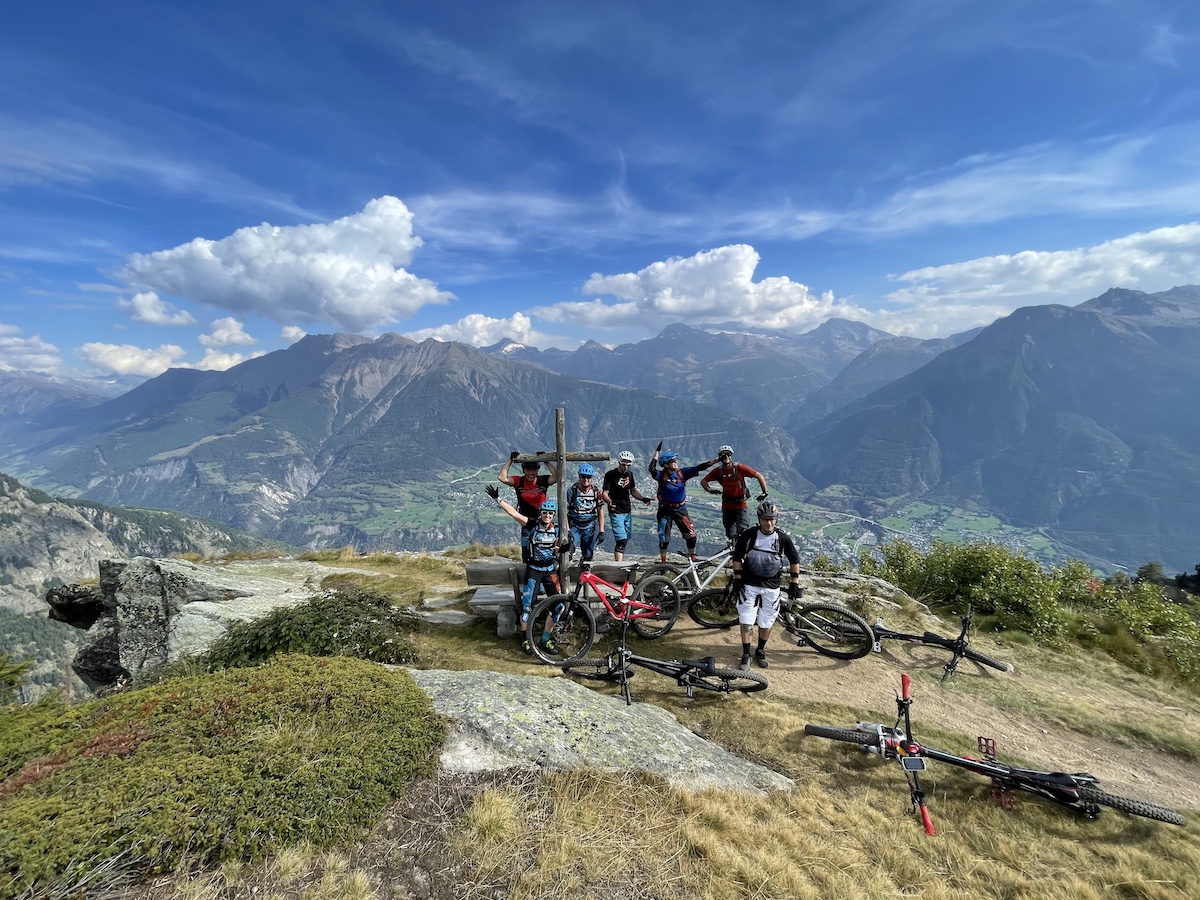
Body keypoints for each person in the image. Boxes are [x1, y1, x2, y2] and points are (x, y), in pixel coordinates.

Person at [485, 485, 571, 654]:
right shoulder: (532, 525)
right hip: (534, 570)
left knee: (558, 606)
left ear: (554, 515)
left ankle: (545, 640)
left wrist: (564, 548)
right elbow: (514, 514)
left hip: (549, 571)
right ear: (541, 513)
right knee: (527, 608)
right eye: (544, 513)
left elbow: (568, 544)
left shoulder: (559, 530)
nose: (547, 516)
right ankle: (526, 640)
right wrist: (498, 500)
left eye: (550, 513)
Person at [730, 499, 801, 670]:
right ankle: (746, 653)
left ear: (776, 519)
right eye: (765, 519)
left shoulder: (782, 538)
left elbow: (794, 559)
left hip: (772, 586)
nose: (769, 523)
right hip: (749, 584)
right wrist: (738, 579)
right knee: (746, 620)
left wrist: (794, 583)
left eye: (772, 519)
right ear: (759, 518)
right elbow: (737, 557)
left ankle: (760, 650)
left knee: (767, 621)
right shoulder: (749, 535)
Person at [649, 441, 718, 562]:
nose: (676, 462)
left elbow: (700, 467)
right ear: (666, 464)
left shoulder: (682, 473)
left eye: (675, 460)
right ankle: (663, 561)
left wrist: (716, 460)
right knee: (664, 538)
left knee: (691, 536)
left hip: (681, 509)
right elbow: (651, 469)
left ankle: (693, 557)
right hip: (665, 510)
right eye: (673, 461)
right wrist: (657, 452)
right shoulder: (662, 475)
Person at [497, 451, 559, 561]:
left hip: (543, 519)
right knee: (526, 549)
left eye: (534, 470)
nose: (531, 473)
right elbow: (502, 477)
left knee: (544, 546)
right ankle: (528, 568)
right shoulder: (519, 481)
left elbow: (557, 477)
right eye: (528, 470)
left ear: (537, 470)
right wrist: (511, 460)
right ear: (524, 470)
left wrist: (546, 460)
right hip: (525, 520)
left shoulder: (542, 480)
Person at [701, 445, 769, 542]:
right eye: (724, 455)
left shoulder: (739, 468)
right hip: (727, 507)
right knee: (730, 534)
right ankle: (734, 553)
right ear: (720, 457)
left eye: (729, 454)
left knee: (743, 533)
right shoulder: (718, 471)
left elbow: (759, 475)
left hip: (740, 506)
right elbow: (703, 481)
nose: (727, 457)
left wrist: (765, 491)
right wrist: (710, 490)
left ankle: (743, 554)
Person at [601, 450, 652, 562]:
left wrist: (643, 499)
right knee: (621, 541)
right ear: (619, 462)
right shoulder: (610, 475)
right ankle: (618, 566)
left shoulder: (630, 475)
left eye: (628, 465)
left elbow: (633, 491)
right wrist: (609, 502)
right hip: (616, 511)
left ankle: (619, 561)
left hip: (627, 511)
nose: (625, 467)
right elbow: (604, 493)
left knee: (626, 538)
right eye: (623, 464)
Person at [566, 463, 606, 562]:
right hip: (574, 525)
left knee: (588, 554)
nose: (586, 479)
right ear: (579, 477)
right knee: (568, 549)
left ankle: (585, 572)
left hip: (589, 527)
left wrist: (601, 531)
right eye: (583, 477)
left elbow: (600, 511)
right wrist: (567, 530)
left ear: (591, 478)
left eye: (588, 477)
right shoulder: (572, 491)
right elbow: (564, 512)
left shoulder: (596, 492)